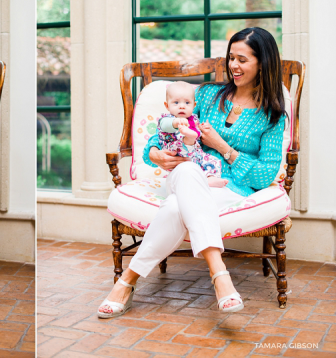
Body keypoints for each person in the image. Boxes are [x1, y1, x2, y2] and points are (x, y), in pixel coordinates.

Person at [98, 27, 287, 318]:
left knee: (176, 207)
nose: (233, 66)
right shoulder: (208, 96)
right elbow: (167, 126)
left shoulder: (272, 114)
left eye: (242, 59)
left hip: (227, 188)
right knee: (187, 172)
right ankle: (220, 275)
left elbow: (264, 176)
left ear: (263, 62)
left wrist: (224, 148)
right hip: (182, 175)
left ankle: (125, 284)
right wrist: (154, 153)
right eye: (231, 58)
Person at [158, 81, 227, 188]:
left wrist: (204, 128)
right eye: (176, 103)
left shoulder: (194, 119)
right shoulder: (166, 118)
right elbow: (165, 126)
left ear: (194, 105)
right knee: (187, 145)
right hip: (175, 152)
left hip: (195, 155)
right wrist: (176, 122)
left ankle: (210, 179)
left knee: (213, 160)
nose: (182, 106)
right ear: (167, 106)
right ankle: (189, 137)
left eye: (187, 103)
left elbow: (199, 133)